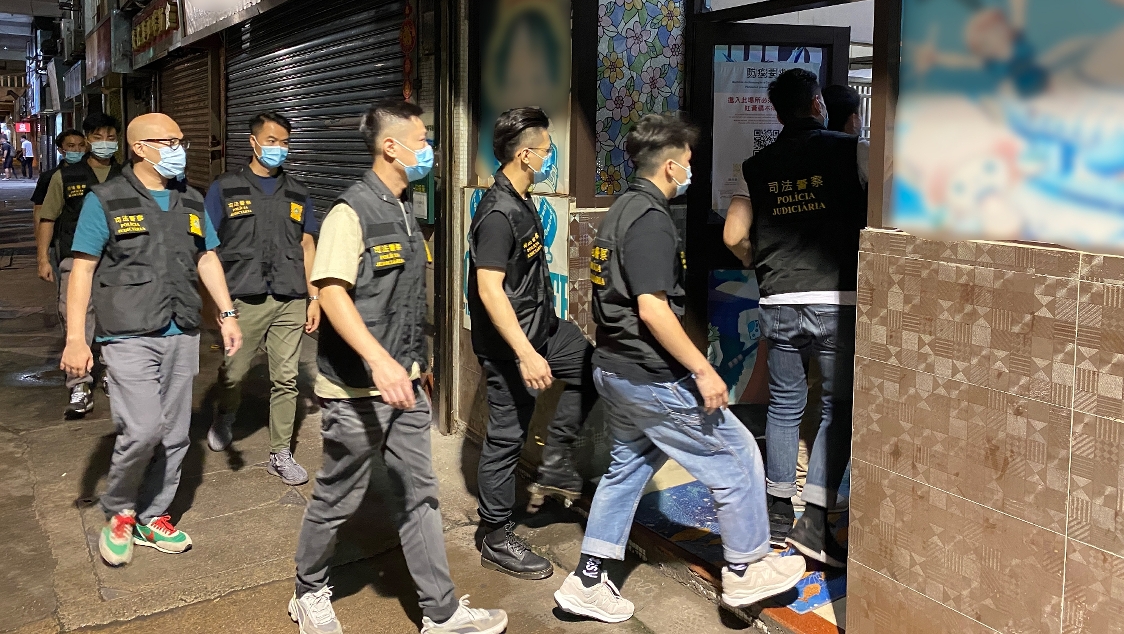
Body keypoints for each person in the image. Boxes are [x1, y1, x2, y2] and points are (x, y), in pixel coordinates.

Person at [554, 114, 806, 622]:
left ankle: (588, 580)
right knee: (737, 456)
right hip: (649, 376)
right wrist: (703, 370)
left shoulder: (620, 209)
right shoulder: (650, 220)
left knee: (627, 469)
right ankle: (746, 569)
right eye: (688, 162)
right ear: (671, 166)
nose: (691, 170)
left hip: (616, 370)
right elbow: (652, 308)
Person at [290, 100, 506, 634]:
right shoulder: (351, 211)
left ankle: (441, 612)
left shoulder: (406, 208)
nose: (429, 149)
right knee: (337, 496)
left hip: (405, 386)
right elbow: (331, 293)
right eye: (423, 139)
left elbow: (400, 301)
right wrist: (379, 361)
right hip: (355, 392)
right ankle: (308, 590)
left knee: (420, 495)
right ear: (391, 146)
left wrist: (415, 363)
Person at [58, 112, 242, 568]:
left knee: (176, 435)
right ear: (140, 148)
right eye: (170, 142)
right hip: (127, 334)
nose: (180, 149)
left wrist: (226, 313)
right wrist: (76, 338)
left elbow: (207, 258)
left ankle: (153, 515)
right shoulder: (106, 200)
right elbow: (82, 270)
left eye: (181, 141)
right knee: (141, 430)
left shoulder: (191, 199)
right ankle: (120, 509)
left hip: (181, 330)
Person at [722, 69, 867, 567]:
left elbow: (733, 235)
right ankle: (816, 522)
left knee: (784, 407)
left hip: (778, 299)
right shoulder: (851, 150)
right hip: (836, 299)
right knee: (836, 410)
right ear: (817, 105)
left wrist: (761, 263)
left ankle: (779, 511)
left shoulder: (755, 165)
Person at [468, 107, 597, 579]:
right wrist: (525, 353)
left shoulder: (520, 199)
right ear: (525, 155)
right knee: (507, 438)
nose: (550, 155)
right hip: (512, 345)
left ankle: (557, 462)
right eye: (546, 149)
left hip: (544, 328)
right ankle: (495, 533)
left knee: (591, 366)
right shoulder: (498, 213)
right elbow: (488, 289)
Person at [205, 112, 320, 486]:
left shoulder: (298, 192)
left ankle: (280, 453)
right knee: (234, 373)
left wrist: (314, 297)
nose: (279, 148)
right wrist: (217, 305)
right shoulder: (225, 188)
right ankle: (225, 413)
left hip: (290, 297)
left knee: (286, 378)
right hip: (244, 297)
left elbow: (307, 245)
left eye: (284, 142)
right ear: (253, 142)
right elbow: (207, 248)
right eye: (272, 141)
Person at [36, 113, 124, 419]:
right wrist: (43, 258)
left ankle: (112, 372)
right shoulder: (66, 176)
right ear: (87, 140)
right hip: (76, 259)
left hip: (118, 260)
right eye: (98, 137)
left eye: (110, 137)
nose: (105, 143)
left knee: (116, 319)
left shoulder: (128, 174)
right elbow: (48, 217)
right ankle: (79, 384)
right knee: (77, 322)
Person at [32, 130, 86, 230]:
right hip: (62, 232)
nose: (77, 150)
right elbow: (39, 210)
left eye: (81, 145)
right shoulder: (49, 176)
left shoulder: (93, 172)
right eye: (71, 146)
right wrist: (40, 235)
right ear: (61, 150)